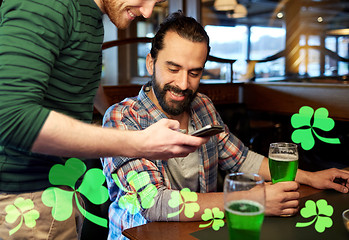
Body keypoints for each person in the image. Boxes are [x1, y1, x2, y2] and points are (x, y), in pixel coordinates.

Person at [101, 11, 349, 239]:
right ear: (151, 63)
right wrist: (253, 200)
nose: (184, 84)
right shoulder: (121, 118)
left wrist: (310, 177)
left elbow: (240, 159)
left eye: (194, 72)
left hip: (200, 232)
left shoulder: (202, 106)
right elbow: (154, 203)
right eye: (173, 68)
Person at [0, 1, 208, 239]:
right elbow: (12, 117)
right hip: (26, 198)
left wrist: (113, 112)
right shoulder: (50, 4)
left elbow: (76, 76)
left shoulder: (87, 14)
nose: (148, 12)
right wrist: (140, 141)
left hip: (63, 187)